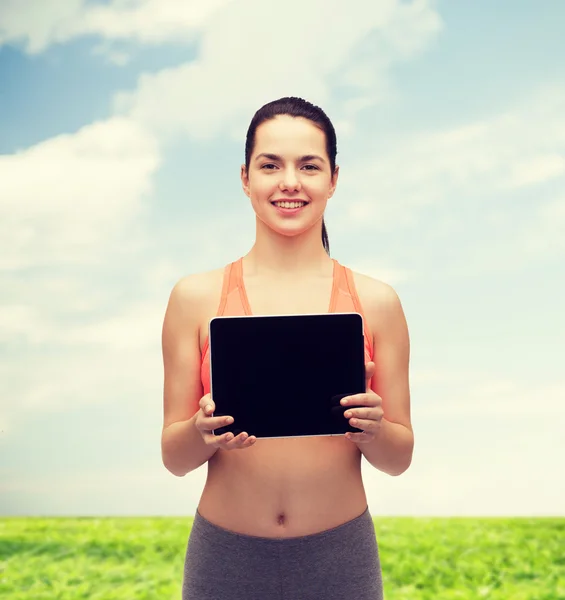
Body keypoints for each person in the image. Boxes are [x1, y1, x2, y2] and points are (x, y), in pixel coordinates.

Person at [161, 97, 413, 600]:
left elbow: (398, 456)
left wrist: (372, 428)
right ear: (245, 177)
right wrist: (202, 431)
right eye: (270, 165)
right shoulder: (195, 298)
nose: (290, 182)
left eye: (309, 166)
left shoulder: (377, 303)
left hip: (340, 555)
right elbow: (174, 455)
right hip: (225, 556)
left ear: (334, 179)